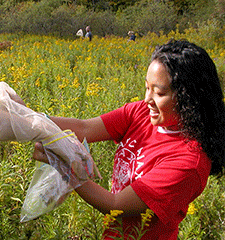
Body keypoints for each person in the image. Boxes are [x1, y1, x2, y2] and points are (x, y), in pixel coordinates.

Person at [32, 40, 225, 239]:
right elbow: (84, 128)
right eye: (147, 87)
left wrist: (66, 165)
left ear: (188, 98)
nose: (148, 99)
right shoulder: (141, 112)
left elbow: (115, 205)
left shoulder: (189, 162)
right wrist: (27, 118)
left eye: (159, 93)